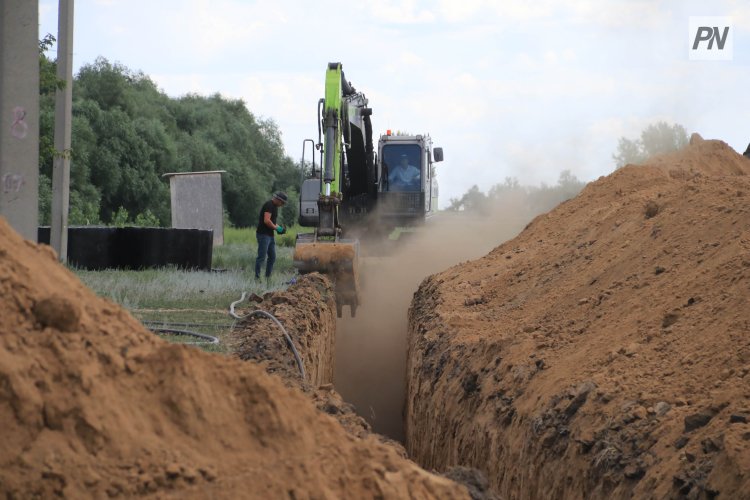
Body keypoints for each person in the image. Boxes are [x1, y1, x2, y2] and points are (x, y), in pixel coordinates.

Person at [255, 191, 287, 281]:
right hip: (263, 234)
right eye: (282, 202)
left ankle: (267, 277)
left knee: (272, 257)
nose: (282, 204)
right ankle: (257, 278)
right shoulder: (269, 205)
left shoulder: (275, 207)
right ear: (278, 199)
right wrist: (276, 229)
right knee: (261, 257)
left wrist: (280, 228)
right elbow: (267, 221)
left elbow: (272, 222)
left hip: (270, 235)